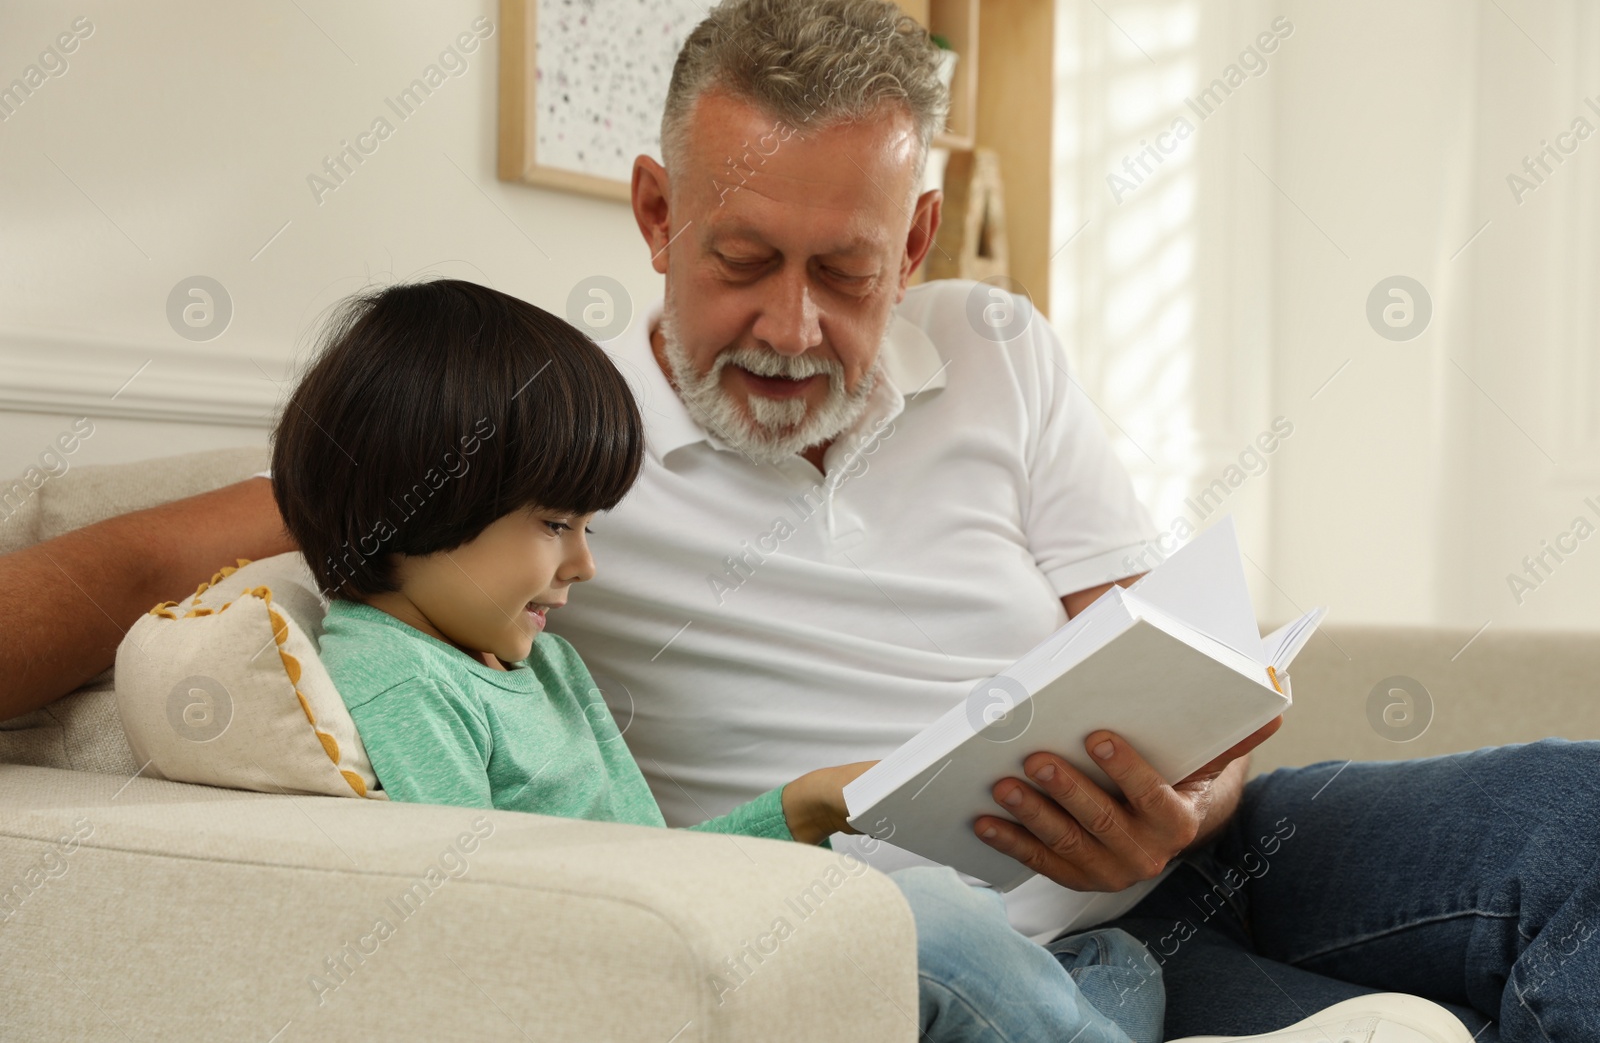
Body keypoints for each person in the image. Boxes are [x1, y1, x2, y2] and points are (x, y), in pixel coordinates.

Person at [4, 0, 1591, 1038]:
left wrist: (1199, 797)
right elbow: (149, 557)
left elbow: (1155, 651)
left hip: (1176, 863)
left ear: (913, 243)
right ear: (652, 209)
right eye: (740, 258)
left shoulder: (1001, 349)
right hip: (918, 937)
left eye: (845, 271)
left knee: (1572, 812)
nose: (788, 327)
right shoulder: (540, 445)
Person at [268, 276, 1171, 1043]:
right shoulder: (395, 671)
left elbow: (665, 865)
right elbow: (469, 930)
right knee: (930, 928)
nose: (584, 563)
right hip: (637, 994)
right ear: (424, 499)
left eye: (588, 526)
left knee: (1061, 948)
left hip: (679, 941)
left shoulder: (538, 665)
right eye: (555, 526)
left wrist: (807, 802)